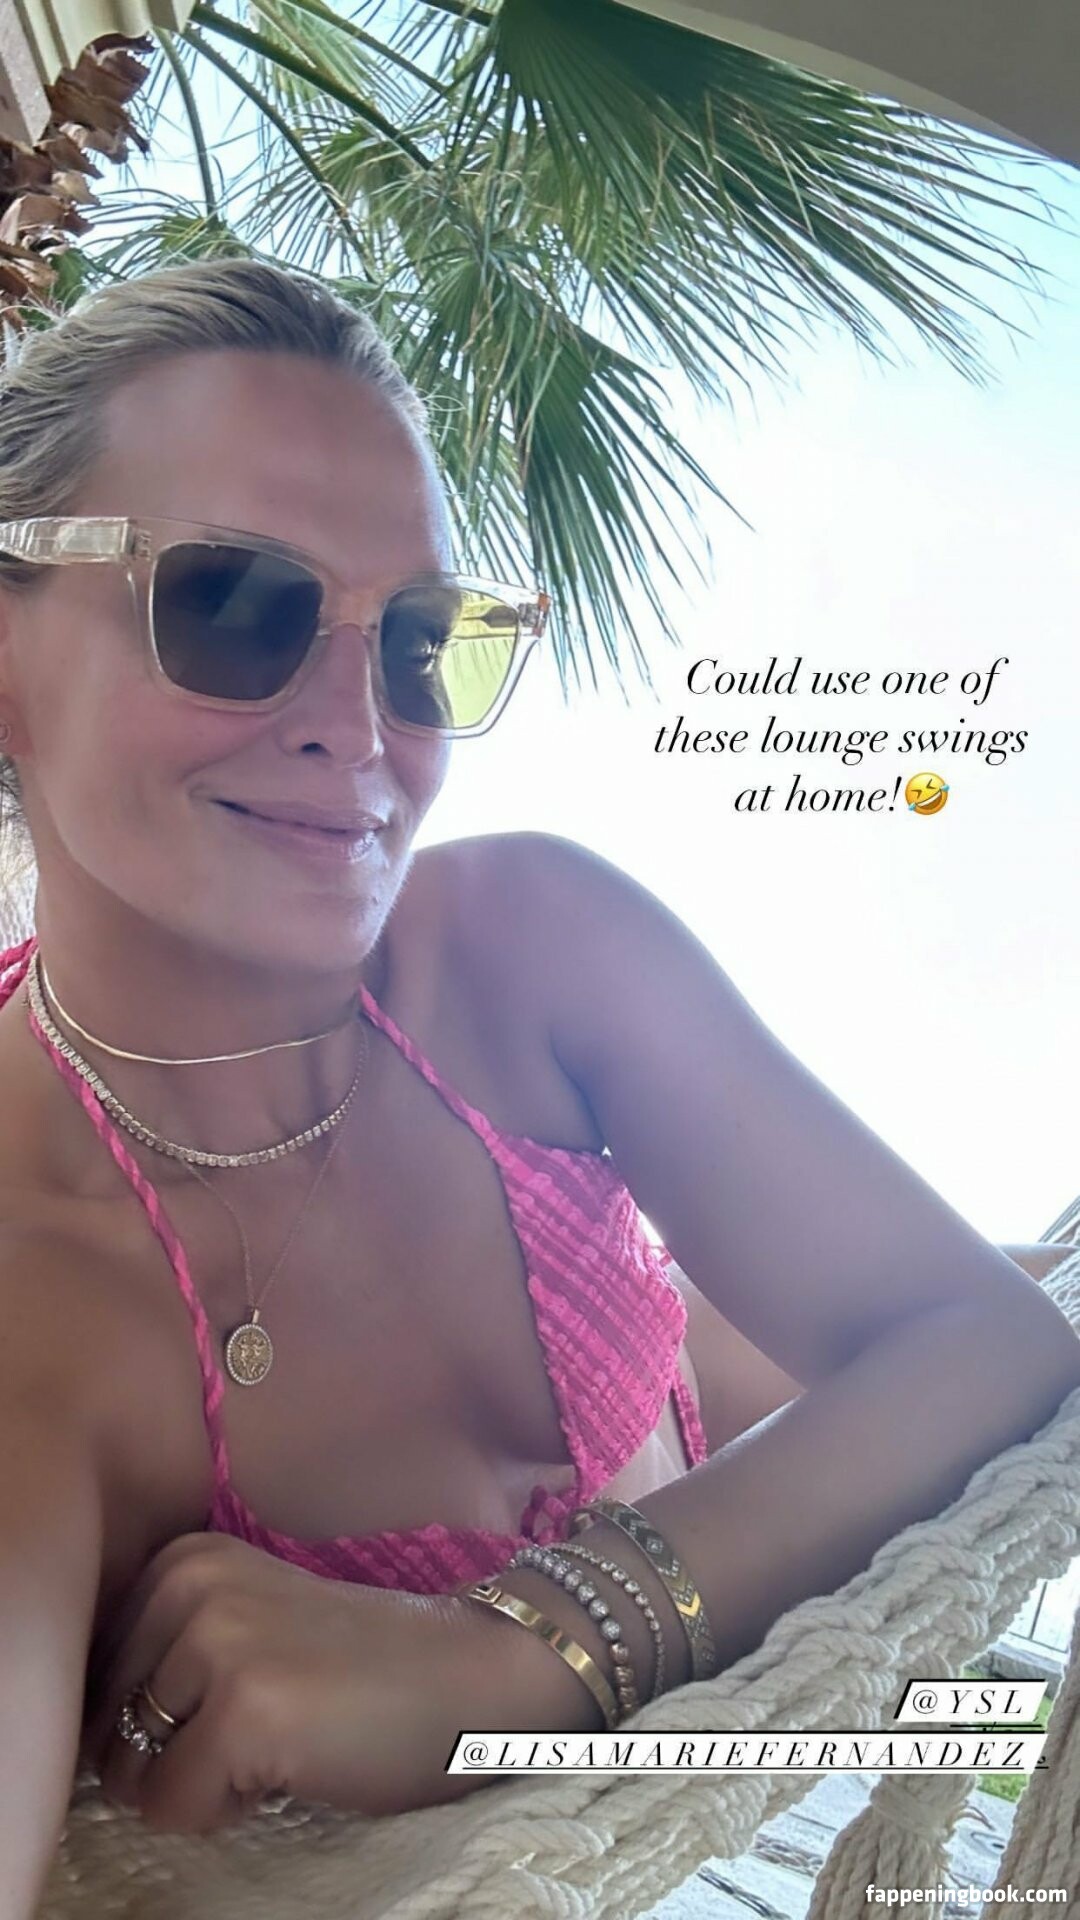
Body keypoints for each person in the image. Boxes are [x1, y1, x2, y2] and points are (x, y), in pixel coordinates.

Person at [0, 258, 1076, 1917]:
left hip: (712, 1432)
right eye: (233, 605)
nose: (362, 729)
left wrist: (510, 1657)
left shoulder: (521, 951)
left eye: (422, 642)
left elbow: (995, 1344)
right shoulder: (34, 1298)